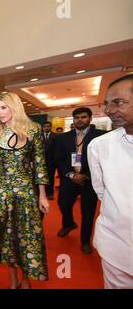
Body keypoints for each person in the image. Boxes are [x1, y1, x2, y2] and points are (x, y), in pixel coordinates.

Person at [0, 92, 50, 289]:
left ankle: (25, 279)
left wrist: (42, 195)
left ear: (14, 107)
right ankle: (13, 280)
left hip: (24, 193)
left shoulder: (33, 130)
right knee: (6, 239)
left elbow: (39, 163)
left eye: (3, 108)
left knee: (25, 238)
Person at [87, 74, 133, 288]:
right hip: (115, 246)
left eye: (119, 102)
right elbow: (102, 191)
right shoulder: (99, 146)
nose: (109, 110)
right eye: (107, 103)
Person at [55, 107, 105, 254]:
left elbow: (103, 160)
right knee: (63, 204)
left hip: (90, 180)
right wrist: (71, 175)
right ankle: (69, 224)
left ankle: (85, 241)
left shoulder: (100, 137)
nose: (80, 120)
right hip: (70, 178)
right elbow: (58, 159)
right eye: (77, 118)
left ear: (90, 119)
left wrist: (86, 176)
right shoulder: (64, 137)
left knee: (88, 212)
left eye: (83, 117)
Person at [42, 121, 58, 200]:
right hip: (41, 162)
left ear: (50, 127)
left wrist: (55, 160)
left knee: (50, 178)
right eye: (45, 126)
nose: (46, 128)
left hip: (51, 161)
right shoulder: (39, 136)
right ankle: (42, 193)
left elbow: (58, 149)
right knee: (41, 178)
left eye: (48, 126)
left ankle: (50, 193)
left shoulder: (56, 136)